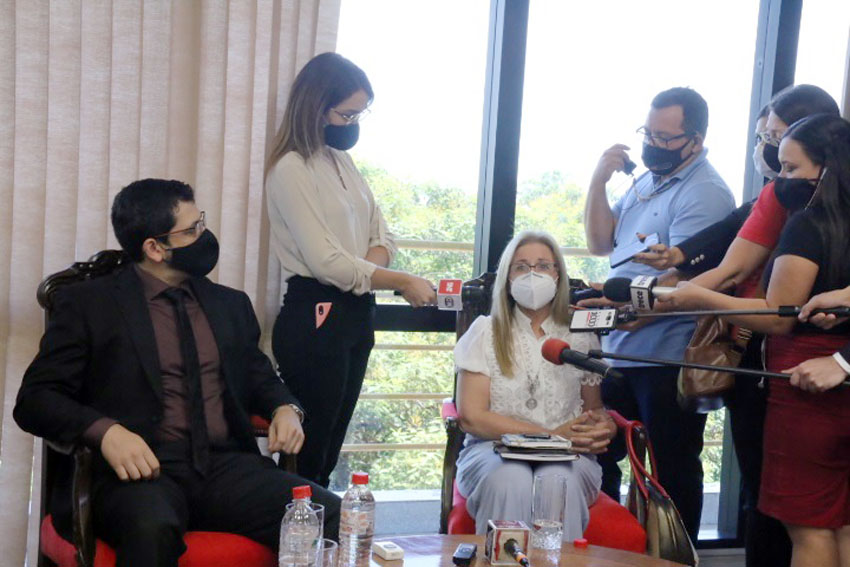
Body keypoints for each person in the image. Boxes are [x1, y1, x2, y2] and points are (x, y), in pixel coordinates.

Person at [14, 179, 340, 567]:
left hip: (225, 467)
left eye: (200, 223)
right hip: (138, 472)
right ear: (154, 248)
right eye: (191, 231)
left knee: (330, 513)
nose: (204, 236)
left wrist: (286, 408)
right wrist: (106, 432)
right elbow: (36, 399)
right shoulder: (89, 305)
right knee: (151, 529)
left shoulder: (229, 304)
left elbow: (259, 377)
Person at [634, 85, 839, 567]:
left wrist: (690, 298)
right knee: (817, 515)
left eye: (784, 150)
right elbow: (727, 253)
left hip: (799, 371)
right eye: (765, 140)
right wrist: (670, 284)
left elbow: (779, 314)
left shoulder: (807, 223)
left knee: (803, 521)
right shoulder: (781, 200)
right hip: (796, 370)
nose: (772, 160)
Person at [265, 53, 436, 487]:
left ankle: (315, 538)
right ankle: (296, 539)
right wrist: (395, 281)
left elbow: (384, 239)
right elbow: (326, 263)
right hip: (315, 313)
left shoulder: (342, 162)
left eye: (360, 114)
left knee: (330, 447)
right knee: (311, 453)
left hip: (356, 312)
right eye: (347, 114)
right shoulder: (291, 169)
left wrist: (360, 270)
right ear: (316, 108)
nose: (354, 123)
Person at [582, 86, 736, 539]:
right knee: (600, 456)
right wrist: (597, 180)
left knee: (670, 468)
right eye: (649, 133)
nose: (654, 145)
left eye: (666, 138)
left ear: (696, 139)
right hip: (620, 352)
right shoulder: (645, 182)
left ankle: (673, 554)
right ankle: (610, 547)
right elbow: (599, 243)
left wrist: (624, 311)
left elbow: (682, 282)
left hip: (668, 355)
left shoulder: (706, 192)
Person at [454, 230, 616, 540]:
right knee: (510, 478)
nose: (532, 274)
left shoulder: (580, 334)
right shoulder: (485, 331)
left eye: (543, 266)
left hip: (569, 456)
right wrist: (551, 436)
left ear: (558, 275)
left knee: (556, 480)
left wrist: (602, 428)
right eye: (521, 267)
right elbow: (471, 417)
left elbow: (595, 410)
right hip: (493, 450)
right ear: (507, 277)